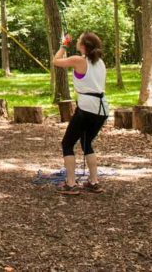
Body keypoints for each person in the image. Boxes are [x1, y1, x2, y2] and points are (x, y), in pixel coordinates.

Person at [52, 32, 108, 195]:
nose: (76, 41)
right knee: (86, 142)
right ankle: (94, 181)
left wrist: (63, 45)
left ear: (83, 46)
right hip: (102, 109)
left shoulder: (78, 60)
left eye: (78, 40)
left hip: (86, 109)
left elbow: (56, 61)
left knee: (67, 144)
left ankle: (70, 184)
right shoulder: (100, 63)